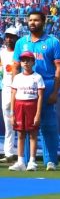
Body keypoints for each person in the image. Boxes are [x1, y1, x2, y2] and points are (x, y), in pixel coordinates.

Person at [13, 11, 60, 171]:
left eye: (36, 20)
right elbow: (15, 66)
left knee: (48, 125)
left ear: (43, 21)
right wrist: (17, 84)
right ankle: (26, 161)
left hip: (46, 85)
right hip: (26, 87)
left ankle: (51, 161)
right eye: (30, 20)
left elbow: (59, 68)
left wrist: (55, 91)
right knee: (27, 126)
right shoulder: (21, 42)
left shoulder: (52, 42)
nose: (32, 23)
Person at [9, 51, 44, 171]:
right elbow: (13, 95)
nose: (26, 62)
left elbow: (40, 97)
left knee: (33, 134)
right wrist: (12, 113)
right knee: (20, 134)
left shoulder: (37, 77)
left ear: (33, 62)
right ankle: (20, 161)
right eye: (23, 60)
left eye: (28, 60)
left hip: (32, 106)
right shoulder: (17, 77)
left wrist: (38, 114)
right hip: (19, 106)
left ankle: (32, 161)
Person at [0, 27, 19, 163]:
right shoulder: (1, 53)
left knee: (23, 123)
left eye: (11, 36)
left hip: (22, 90)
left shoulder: (21, 52)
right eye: (7, 36)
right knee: (8, 123)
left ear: (16, 38)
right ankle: (9, 153)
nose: (8, 39)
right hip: (6, 89)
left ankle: (24, 154)